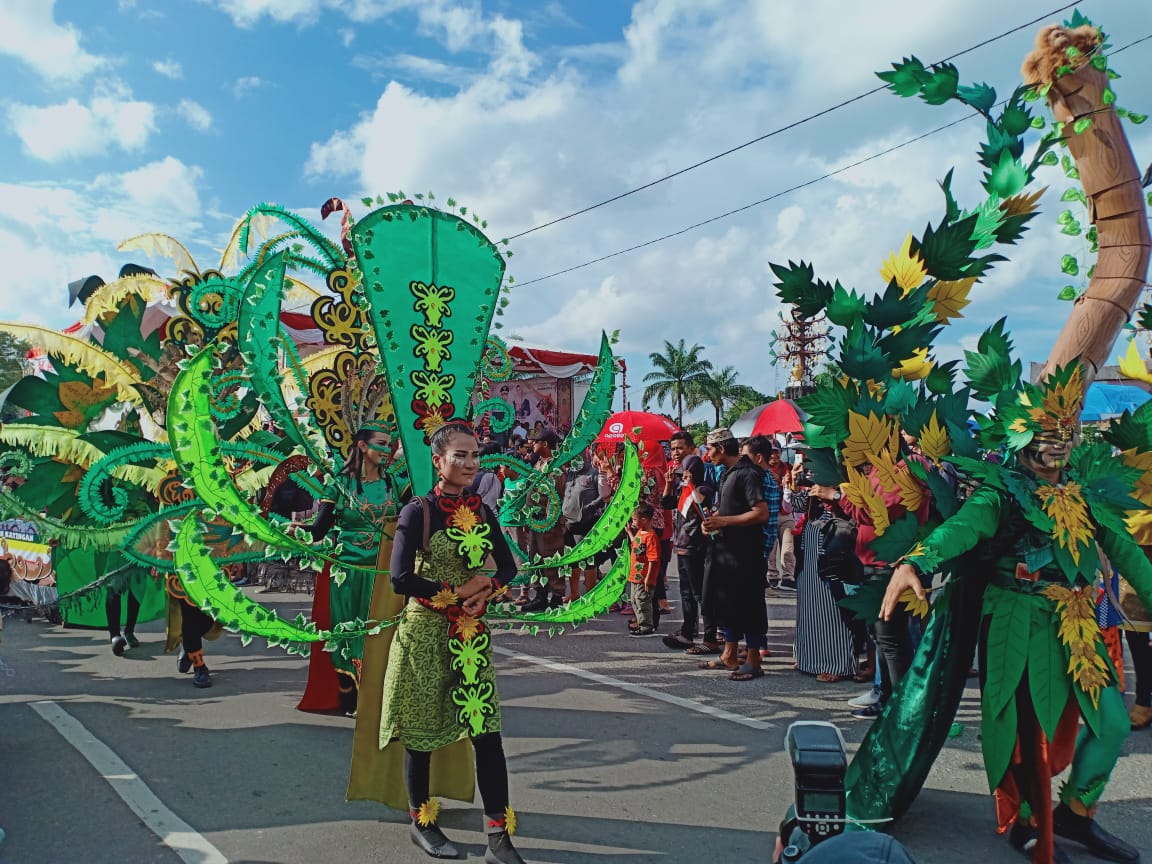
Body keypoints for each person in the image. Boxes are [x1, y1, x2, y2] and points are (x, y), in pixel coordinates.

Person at [881, 366, 1148, 864]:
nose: (1060, 446)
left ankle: (1075, 812)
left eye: (1067, 434)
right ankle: (1025, 820)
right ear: (1022, 438)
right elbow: (963, 527)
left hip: (1076, 621)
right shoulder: (1000, 491)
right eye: (1049, 435)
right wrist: (915, 560)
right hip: (1015, 620)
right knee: (1028, 730)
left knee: (1111, 722)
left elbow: (1128, 553)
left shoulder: (1083, 493)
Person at [380, 422, 524, 863]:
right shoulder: (417, 512)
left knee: (487, 733)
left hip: (470, 639)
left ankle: (499, 838)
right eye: (459, 455)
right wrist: (456, 595)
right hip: (424, 635)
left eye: (474, 454)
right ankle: (422, 824)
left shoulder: (481, 509)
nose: (469, 463)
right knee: (421, 736)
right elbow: (401, 579)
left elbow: (508, 567)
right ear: (438, 460)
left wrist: (485, 589)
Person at [306, 423, 402, 716]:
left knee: (381, 634)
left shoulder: (395, 484)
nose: (387, 451)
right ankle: (349, 696)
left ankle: (379, 697)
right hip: (347, 571)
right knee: (348, 632)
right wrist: (297, 532)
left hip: (384, 574)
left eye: (390, 444)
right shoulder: (339, 484)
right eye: (381, 444)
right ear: (362, 445)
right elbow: (319, 530)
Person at [699, 428, 770, 681]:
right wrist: (714, 521)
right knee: (727, 604)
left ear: (720, 448)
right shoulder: (727, 473)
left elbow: (761, 513)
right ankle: (729, 653)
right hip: (726, 552)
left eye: (709, 449)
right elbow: (729, 510)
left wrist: (725, 521)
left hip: (746, 554)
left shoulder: (747, 474)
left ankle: (753, 660)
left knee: (749, 605)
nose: (707, 455)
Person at [661, 433, 719, 652]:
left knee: (700, 593)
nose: (675, 453)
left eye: (680, 449)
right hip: (683, 544)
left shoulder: (702, 488)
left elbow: (701, 499)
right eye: (673, 449)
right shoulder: (682, 486)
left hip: (696, 545)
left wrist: (690, 481)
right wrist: (669, 483)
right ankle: (687, 632)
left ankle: (710, 637)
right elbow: (667, 503)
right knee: (686, 592)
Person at [521, 427, 566, 611]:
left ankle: (556, 597)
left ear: (545, 444)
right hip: (535, 519)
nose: (532, 445)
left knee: (551, 558)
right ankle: (540, 595)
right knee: (536, 558)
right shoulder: (539, 463)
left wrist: (549, 522)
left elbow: (556, 495)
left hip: (549, 522)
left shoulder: (556, 467)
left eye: (536, 442)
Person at [561, 450, 602, 600]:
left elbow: (603, 496)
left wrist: (590, 507)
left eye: (575, 456)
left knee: (588, 559)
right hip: (568, 523)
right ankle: (574, 593)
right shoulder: (570, 473)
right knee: (572, 560)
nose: (573, 459)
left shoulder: (593, 473)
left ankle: (590, 595)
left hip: (585, 523)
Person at [625, 503, 661, 637]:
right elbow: (635, 544)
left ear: (644, 520)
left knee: (642, 600)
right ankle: (640, 622)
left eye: (634, 519)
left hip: (644, 576)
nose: (633, 522)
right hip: (635, 575)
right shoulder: (640, 532)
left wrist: (648, 577)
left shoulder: (651, 537)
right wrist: (629, 532)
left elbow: (653, 559)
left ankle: (646, 626)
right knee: (634, 599)